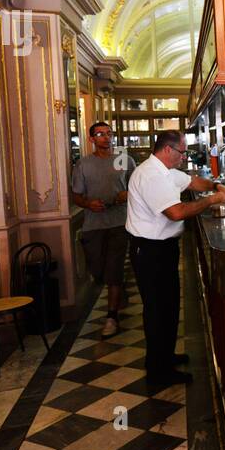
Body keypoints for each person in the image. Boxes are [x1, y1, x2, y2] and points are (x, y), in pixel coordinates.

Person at [126, 129, 225, 388]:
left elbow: (190, 182)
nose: (183, 156)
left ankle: (164, 358)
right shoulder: (151, 175)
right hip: (150, 251)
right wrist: (212, 200)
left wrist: (216, 185)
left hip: (162, 249)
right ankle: (158, 373)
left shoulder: (164, 171)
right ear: (168, 150)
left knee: (167, 308)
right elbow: (176, 213)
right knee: (157, 310)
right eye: (181, 152)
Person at [71, 122, 132, 338]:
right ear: (91, 139)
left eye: (109, 134)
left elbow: (136, 184)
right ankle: (119, 288)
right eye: (100, 134)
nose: (106, 138)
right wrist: (88, 204)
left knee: (114, 269)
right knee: (98, 271)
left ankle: (111, 317)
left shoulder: (123, 158)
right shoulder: (83, 165)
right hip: (93, 224)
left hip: (119, 222)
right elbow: (76, 195)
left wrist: (127, 194)